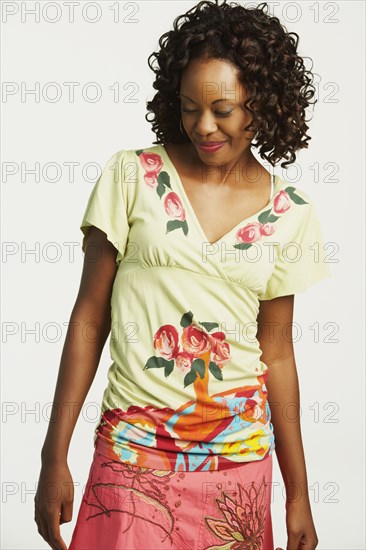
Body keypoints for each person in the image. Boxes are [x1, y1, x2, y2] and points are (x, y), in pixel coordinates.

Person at [34, 1, 331, 549]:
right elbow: (88, 320)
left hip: (237, 473)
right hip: (129, 464)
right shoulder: (132, 176)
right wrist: (54, 455)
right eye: (190, 107)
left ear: (262, 107)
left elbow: (279, 354)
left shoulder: (290, 212)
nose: (203, 125)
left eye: (223, 109)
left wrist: (298, 494)